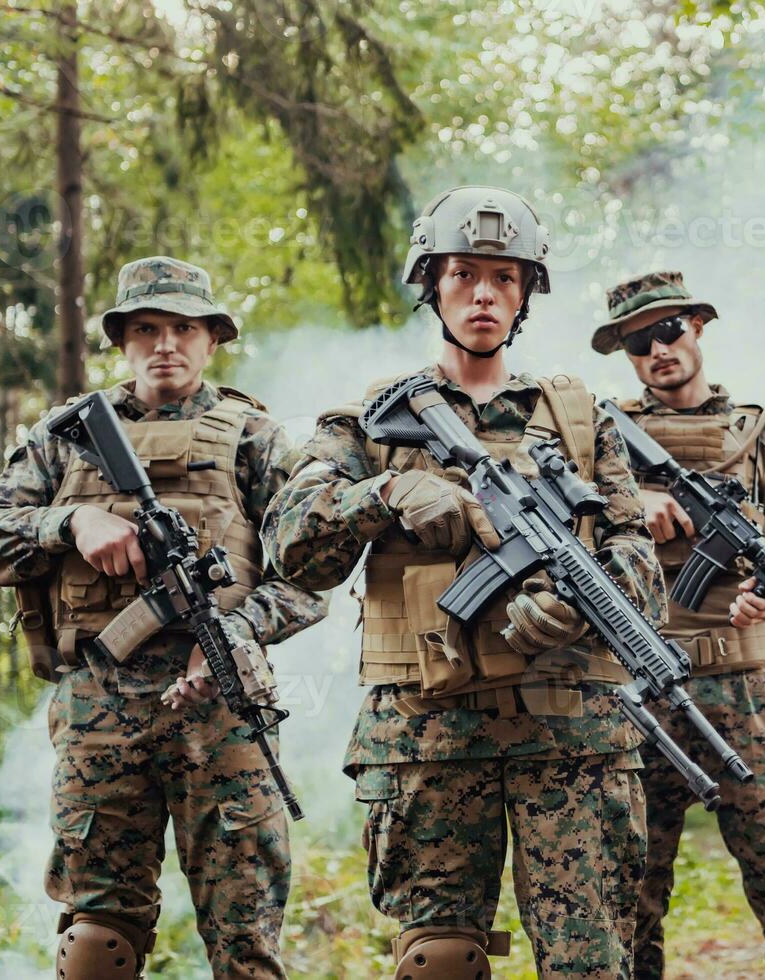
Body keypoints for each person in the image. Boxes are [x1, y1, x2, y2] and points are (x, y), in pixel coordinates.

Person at [262, 186, 664, 980]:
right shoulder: (368, 423)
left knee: (592, 960)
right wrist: (381, 495)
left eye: (505, 278)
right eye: (464, 274)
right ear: (431, 284)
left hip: (573, 738)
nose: (484, 293)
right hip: (426, 738)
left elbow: (637, 561)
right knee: (437, 960)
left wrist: (578, 607)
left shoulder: (583, 418)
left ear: (525, 295)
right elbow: (291, 547)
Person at [0, 256, 326, 979]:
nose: (166, 343)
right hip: (99, 708)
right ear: (122, 341)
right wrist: (71, 524)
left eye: (184, 327)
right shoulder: (64, 437)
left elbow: (311, 572)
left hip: (223, 707)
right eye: (147, 328)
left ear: (212, 339)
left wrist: (236, 628)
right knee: (97, 941)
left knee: (246, 941)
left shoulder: (253, 437)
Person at [592, 271, 765, 979]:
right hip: (641, 690)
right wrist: (633, 501)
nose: (656, 350)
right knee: (630, 889)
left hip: (751, 687)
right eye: (637, 342)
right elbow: (567, 528)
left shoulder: (761, 434)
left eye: (667, 330)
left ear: (698, 325)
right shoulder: (604, 439)